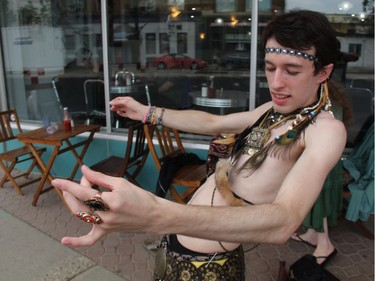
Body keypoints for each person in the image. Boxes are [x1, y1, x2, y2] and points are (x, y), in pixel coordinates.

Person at [51, 10, 347, 280]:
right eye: (270, 67)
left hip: (210, 267)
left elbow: (284, 221)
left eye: (292, 71)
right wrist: (148, 113)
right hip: (176, 247)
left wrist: (156, 214)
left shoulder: (325, 130)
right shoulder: (271, 110)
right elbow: (212, 123)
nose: (276, 82)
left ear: (323, 72)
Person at [290, 79, 353, 267]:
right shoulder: (335, 103)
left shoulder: (321, 108)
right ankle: (311, 233)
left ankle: (325, 245)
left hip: (322, 165)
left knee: (315, 199)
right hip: (329, 164)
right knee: (314, 198)